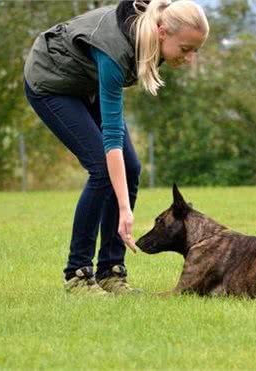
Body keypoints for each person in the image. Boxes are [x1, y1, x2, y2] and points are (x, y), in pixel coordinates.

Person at [23, 0, 209, 294]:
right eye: (186, 49)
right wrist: (125, 208)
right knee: (100, 168)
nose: (189, 59)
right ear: (161, 32)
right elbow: (111, 138)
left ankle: (110, 272)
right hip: (51, 83)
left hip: (85, 82)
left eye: (195, 50)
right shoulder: (115, 52)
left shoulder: (155, 23)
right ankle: (78, 275)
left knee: (131, 167)